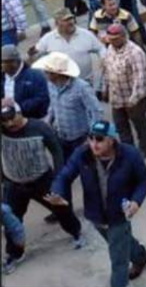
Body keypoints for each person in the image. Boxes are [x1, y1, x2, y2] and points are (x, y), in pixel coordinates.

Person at [47, 120, 146, 287]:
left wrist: (136, 201)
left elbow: (143, 180)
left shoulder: (130, 154)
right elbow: (64, 176)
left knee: (118, 261)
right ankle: (140, 255)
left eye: (100, 139)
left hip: (119, 216)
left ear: (111, 140)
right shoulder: (82, 154)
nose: (94, 144)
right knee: (117, 242)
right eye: (91, 138)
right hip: (95, 214)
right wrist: (56, 193)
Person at [1, 103, 85, 253]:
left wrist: (58, 180)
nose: (9, 123)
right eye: (4, 120)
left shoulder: (39, 128)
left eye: (12, 118)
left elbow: (56, 151)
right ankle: (13, 254)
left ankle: (76, 232)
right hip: (13, 184)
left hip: (42, 181)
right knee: (11, 220)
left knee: (62, 210)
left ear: (20, 113)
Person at [33, 52, 102, 206]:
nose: (45, 74)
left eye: (48, 72)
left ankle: (95, 206)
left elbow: (96, 111)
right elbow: (53, 105)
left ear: (58, 73)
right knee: (62, 175)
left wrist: (92, 137)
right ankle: (64, 206)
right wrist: (47, 120)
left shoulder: (81, 87)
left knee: (88, 176)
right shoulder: (51, 85)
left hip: (81, 139)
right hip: (61, 137)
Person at [102, 25, 146, 157]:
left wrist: (134, 99)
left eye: (116, 39)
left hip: (134, 99)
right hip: (117, 98)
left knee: (139, 124)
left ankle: (144, 147)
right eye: (110, 39)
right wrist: (105, 88)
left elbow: (139, 77)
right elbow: (107, 70)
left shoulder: (135, 52)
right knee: (121, 126)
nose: (113, 42)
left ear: (124, 36)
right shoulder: (110, 49)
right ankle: (128, 150)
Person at [33, 8, 106, 88]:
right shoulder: (48, 39)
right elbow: (35, 56)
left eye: (71, 18)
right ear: (57, 23)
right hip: (61, 86)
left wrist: (103, 59)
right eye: (66, 20)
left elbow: (101, 48)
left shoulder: (86, 34)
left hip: (85, 82)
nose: (71, 22)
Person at [2, 44, 49, 120]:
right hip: (6, 122)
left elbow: (42, 98)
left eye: (3, 62)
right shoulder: (2, 77)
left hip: (31, 121)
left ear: (14, 62)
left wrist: (17, 106)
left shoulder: (35, 76)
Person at [2, 201, 26, 274]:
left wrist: (20, 240)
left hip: (12, 227)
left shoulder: (3, 211)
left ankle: (15, 255)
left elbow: (15, 227)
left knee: (13, 233)